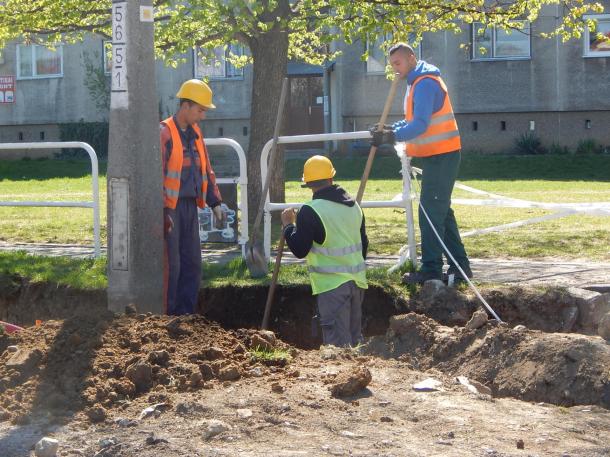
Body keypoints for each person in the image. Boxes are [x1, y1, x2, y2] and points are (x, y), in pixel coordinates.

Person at [371, 43, 472, 285]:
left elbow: (421, 126)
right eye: (391, 64)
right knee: (441, 213)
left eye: (398, 63)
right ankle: (461, 267)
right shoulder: (416, 82)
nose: (395, 69)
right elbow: (411, 121)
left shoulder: (425, 83)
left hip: (442, 156)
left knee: (429, 213)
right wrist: (388, 129)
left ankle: (431, 270)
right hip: (438, 156)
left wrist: (390, 136)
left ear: (411, 58)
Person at [281, 156, 368, 347]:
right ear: (331, 178)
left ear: (308, 183)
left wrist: (288, 226)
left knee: (338, 345)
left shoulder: (310, 211)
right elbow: (364, 245)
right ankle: (359, 374)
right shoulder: (355, 207)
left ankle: (344, 376)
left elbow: (300, 249)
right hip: (357, 283)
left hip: (332, 287)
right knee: (355, 340)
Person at [160, 79, 225, 315]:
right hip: (171, 209)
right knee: (173, 266)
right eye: (200, 110)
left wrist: (215, 202)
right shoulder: (165, 133)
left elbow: (206, 170)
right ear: (185, 106)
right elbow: (157, 175)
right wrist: (164, 211)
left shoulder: (196, 133)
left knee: (193, 265)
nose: (203, 116)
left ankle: (186, 316)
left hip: (189, 208)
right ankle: (169, 317)